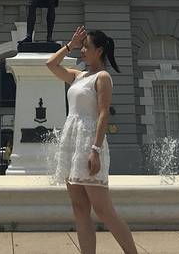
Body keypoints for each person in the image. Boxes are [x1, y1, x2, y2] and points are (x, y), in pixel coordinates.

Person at [47, 26, 139, 254]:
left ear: (99, 51)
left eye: (86, 47)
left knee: (103, 210)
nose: (82, 51)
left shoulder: (102, 77)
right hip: (72, 142)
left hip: (89, 143)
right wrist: (70, 45)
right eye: (82, 47)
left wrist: (95, 149)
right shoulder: (78, 76)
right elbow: (51, 64)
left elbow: (103, 114)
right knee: (79, 208)